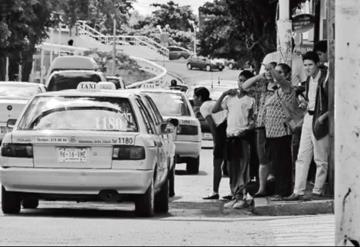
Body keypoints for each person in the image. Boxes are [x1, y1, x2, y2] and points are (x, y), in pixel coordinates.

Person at [285, 51, 329, 201]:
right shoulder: (309, 80)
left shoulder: (326, 78)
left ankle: (318, 190)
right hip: (308, 117)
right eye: (305, 65)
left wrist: (323, 117)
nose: (308, 68)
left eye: (310, 65)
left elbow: (333, 101)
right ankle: (298, 191)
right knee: (302, 156)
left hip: (320, 119)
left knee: (320, 157)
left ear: (317, 64)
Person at [212, 74, 256, 209]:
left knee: (243, 168)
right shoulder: (230, 99)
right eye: (240, 80)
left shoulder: (251, 100)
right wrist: (224, 94)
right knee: (232, 169)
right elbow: (215, 109)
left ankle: (243, 195)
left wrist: (248, 128)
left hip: (242, 137)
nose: (241, 84)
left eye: (244, 81)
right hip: (230, 137)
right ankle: (235, 195)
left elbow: (254, 119)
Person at [241, 63, 278, 197]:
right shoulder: (261, 86)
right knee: (262, 157)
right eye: (267, 70)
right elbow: (244, 86)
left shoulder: (279, 86)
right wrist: (259, 76)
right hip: (261, 126)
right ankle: (262, 188)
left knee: (275, 156)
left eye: (271, 70)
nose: (269, 72)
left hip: (276, 126)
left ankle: (275, 184)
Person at [262, 63, 296, 200]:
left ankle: (283, 191)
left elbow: (281, 81)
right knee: (276, 163)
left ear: (287, 75)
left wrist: (271, 69)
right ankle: (279, 190)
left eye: (280, 72)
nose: (277, 75)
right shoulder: (277, 91)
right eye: (276, 72)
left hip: (281, 131)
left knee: (282, 163)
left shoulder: (287, 87)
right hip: (271, 133)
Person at [194, 87, 228, 200]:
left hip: (221, 131)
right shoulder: (214, 103)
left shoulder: (204, 107)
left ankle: (215, 191)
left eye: (195, 97)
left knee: (217, 164)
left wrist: (216, 142)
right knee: (232, 163)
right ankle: (235, 191)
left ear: (199, 97)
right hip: (229, 129)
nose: (194, 99)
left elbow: (212, 125)